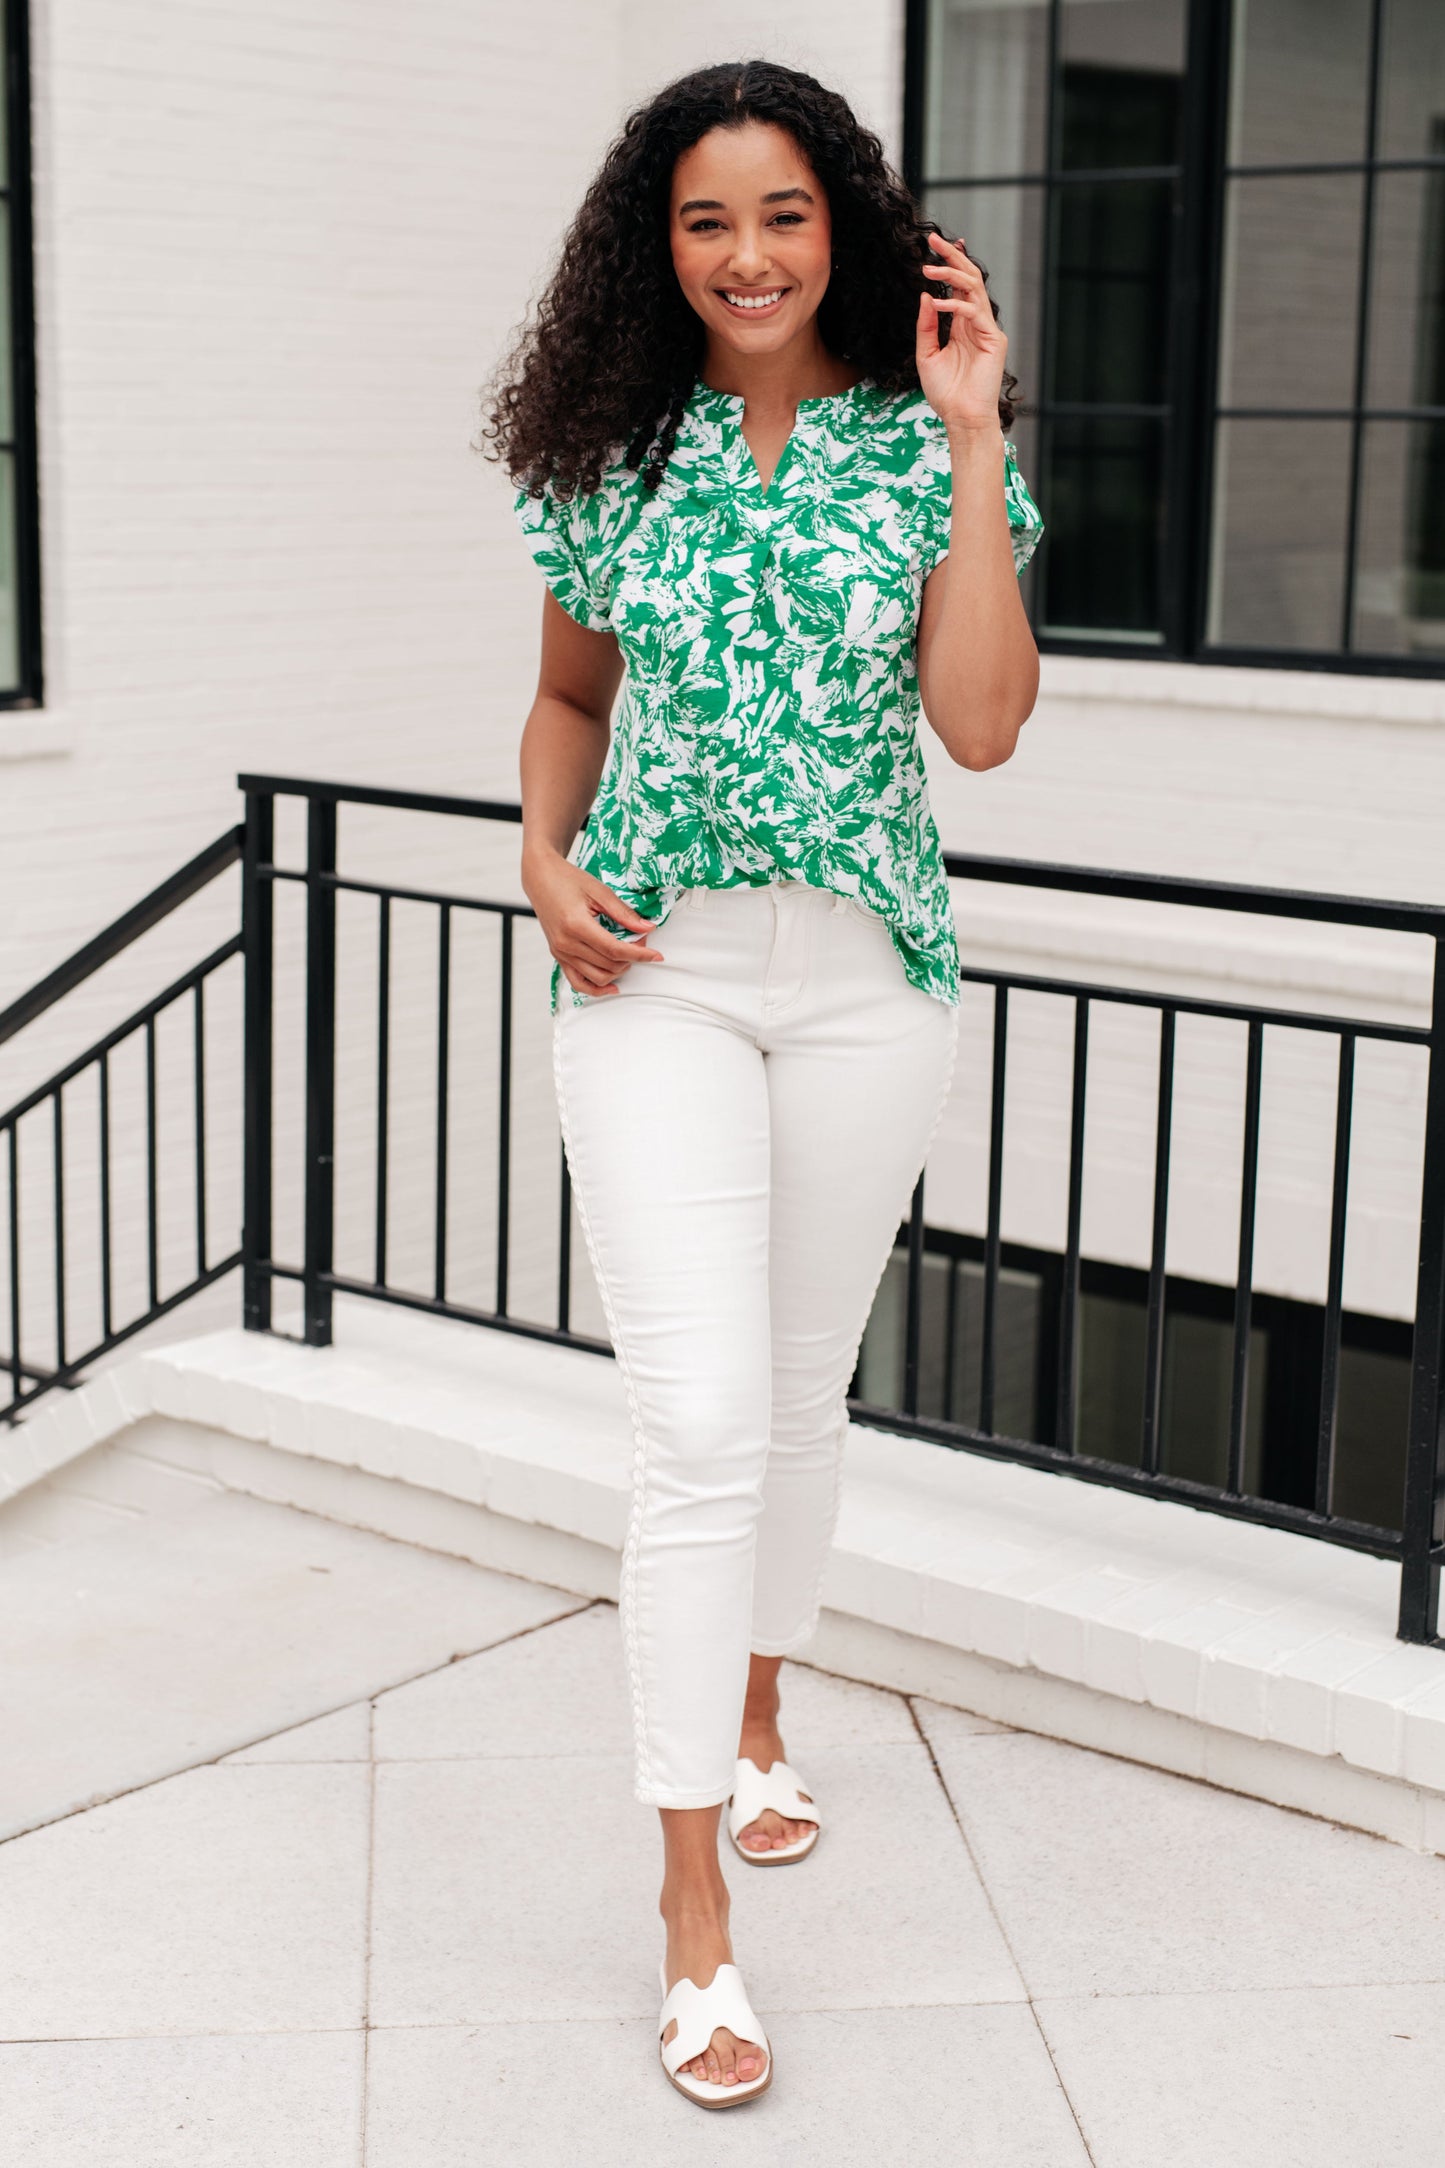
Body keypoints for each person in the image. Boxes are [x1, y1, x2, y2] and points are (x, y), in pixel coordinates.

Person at [484, 57, 1042, 2110]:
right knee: (699, 1414)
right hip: (658, 967)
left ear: (848, 224)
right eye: (709, 219)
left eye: (785, 213)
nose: (748, 255)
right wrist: (542, 858)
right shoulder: (609, 454)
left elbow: (978, 727)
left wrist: (976, 442)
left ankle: (756, 1709)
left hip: (871, 975)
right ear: (662, 238)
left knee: (803, 1389)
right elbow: (563, 698)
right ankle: (693, 1921)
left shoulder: (922, 449)